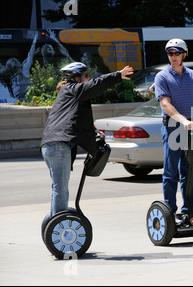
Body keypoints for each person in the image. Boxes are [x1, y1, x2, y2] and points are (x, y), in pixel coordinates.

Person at [41, 62, 134, 216]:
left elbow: (75, 121)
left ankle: (55, 220)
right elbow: (96, 85)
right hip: (58, 146)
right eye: (85, 75)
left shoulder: (68, 94)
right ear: (76, 77)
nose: (89, 78)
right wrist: (117, 76)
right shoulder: (74, 89)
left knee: (58, 187)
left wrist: (94, 134)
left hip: (50, 145)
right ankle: (58, 225)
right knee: (60, 188)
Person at [154, 38, 193, 223]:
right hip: (173, 127)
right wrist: (183, 120)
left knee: (189, 169)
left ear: (184, 54)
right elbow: (165, 104)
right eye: (170, 53)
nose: (173, 57)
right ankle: (170, 212)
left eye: (176, 53)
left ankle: (188, 211)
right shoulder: (162, 77)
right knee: (170, 171)